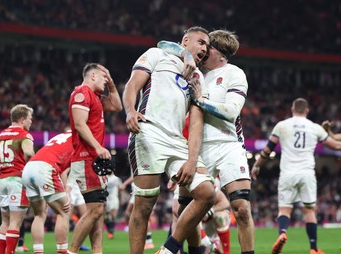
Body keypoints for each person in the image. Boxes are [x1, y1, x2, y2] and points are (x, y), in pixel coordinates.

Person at [158, 29, 255, 254]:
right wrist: (187, 54)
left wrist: (201, 99)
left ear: (220, 54)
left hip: (228, 144)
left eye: (207, 47)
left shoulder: (235, 74)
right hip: (196, 148)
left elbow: (231, 112)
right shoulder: (195, 69)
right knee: (183, 211)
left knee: (241, 209)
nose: (202, 51)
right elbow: (162, 44)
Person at [123, 26, 216, 254]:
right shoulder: (157, 55)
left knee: (206, 193)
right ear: (185, 40)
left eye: (207, 46)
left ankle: (168, 249)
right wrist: (130, 110)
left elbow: (196, 123)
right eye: (201, 42)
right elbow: (132, 84)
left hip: (177, 141)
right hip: (149, 131)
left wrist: (193, 159)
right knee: (144, 206)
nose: (205, 48)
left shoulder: (198, 78)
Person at [251, 98, 341, 254]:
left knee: (285, 210)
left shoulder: (282, 126)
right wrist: (329, 133)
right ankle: (313, 248)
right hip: (307, 173)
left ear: (292, 109)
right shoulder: (315, 128)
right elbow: (336, 145)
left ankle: (282, 234)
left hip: (287, 173)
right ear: (307, 111)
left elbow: (267, 150)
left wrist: (256, 166)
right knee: (309, 210)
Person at [67, 63, 122, 254]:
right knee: (95, 210)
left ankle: (97, 252)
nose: (105, 81)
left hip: (92, 160)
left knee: (98, 212)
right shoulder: (81, 93)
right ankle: (71, 251)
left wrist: (112, 84)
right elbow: (80, 125)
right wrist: (98, 147)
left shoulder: (96, 97)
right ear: (92, 77)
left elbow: (117, 105)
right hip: (85, 158)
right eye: (103, 78)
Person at [0, 104, 35, 254]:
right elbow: (29, 153)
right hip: (17, 181)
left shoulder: (2, 135)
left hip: (3, 182)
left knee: (5, 221)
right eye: (30, 119)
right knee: (15, 222)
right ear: (22, 119)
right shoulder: (24, 135)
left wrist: (0, 172)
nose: (31, 122)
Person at [21, 130, 73, 254]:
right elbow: (64, 171)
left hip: (29, 168)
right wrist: (66, 191)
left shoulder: (59, 136)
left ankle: (38, 251)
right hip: (45, 169)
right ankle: (62, 251)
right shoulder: (79, 139)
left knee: (39, 214)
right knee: (63, 212)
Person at [105, 171, 122, 239]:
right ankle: (109, 230)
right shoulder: (104, 177)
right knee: (106, 217)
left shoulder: (117, 179)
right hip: (106, 199)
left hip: (114, 199)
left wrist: (121, 200)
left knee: (113, 216)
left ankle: (111, 232)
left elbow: (120, 189)